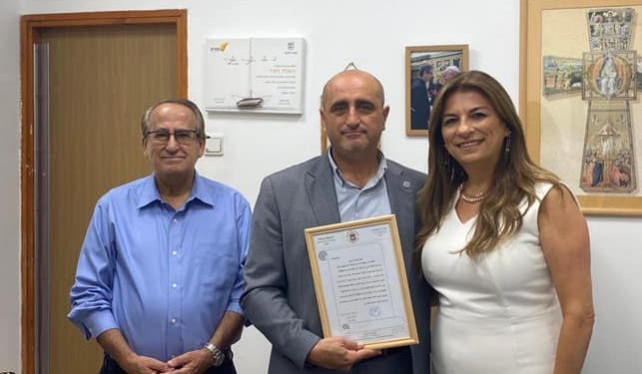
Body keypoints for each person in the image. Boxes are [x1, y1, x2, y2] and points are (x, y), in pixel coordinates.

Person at [242, 69, 431, 374]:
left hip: (398, 363)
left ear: (384, 116)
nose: (352, 119)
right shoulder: (281, 190)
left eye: (364, 107)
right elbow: (257, 289)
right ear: (323, 118)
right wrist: (308, 347)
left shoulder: (420, 190)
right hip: (311, 364)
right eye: (340, 108)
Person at [417, 71, 594, 374]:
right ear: (441, 138)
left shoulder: (547, 199)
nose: (464, 129)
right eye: (451, 121)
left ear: (506, 127)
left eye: (478, 115)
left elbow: (580, 315)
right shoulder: (440, 201)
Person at [68, 99, 251, 374]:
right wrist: (127, 359)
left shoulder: (234, 208)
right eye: (161, 135)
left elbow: (247, 291)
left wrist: (210, 352)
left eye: (184, 135)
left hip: (212, 367)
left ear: (201, 145)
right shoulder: (112, 207)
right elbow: (89, 293)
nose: (172, 145)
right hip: (124, 369)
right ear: (145, 145)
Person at [411, 64, 435, 130]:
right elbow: (419, 107)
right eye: (431, 73)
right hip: (419, 121)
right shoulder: (418, 86)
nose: (432, 76)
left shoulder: (420, 83)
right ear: (424, 73)